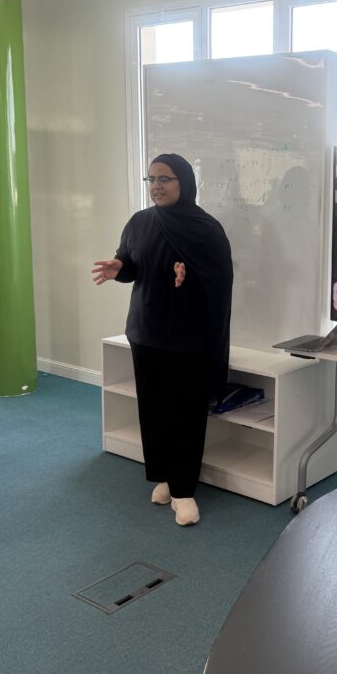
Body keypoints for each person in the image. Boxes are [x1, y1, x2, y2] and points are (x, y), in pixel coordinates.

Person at [92, 153, 233, 526]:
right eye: (151, 179)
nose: (156, 186)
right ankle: (166, 477)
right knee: (154, 410)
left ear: (184, 182)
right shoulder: (140, 222)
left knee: (186, 413)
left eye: (165, 179)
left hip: (189, 337)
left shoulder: (206, 229)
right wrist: (120, 268)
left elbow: (220, 281)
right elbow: (131, 261)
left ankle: (185, 490)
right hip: (147, 330)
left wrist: (191, 278)